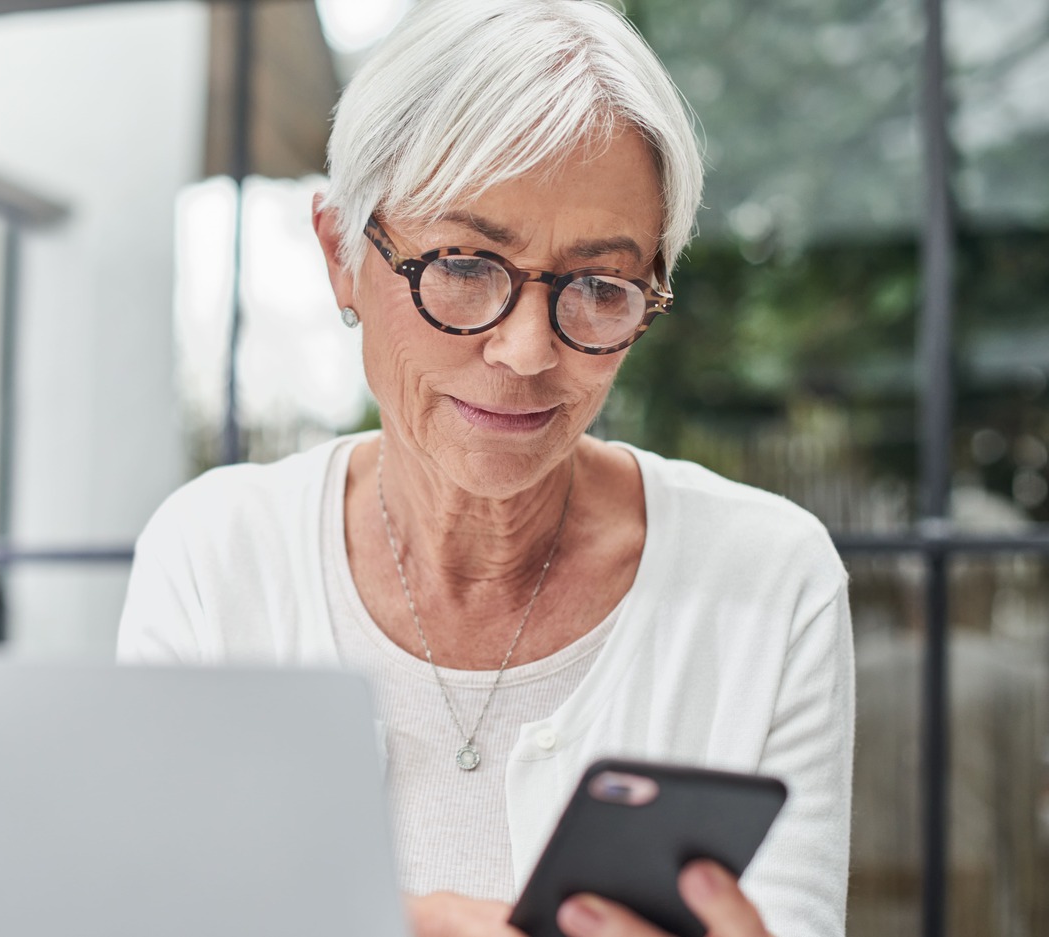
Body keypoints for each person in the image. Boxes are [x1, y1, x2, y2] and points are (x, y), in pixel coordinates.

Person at [117, 2, 854, 935]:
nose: (525, 350)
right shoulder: (217, 553)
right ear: (343, 253)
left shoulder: (767, 579)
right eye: (465, 263)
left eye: (598, 287)